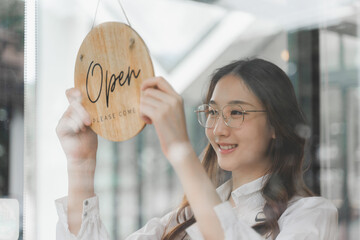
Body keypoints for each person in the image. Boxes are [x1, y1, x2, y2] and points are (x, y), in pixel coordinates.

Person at [55, 58, 338, 240]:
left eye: (236, 113)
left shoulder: (311, 214)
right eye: (213, 112)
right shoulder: (181, 221)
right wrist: (81, 164)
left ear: (275, 124)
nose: (218, 129)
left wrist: (180, 149)